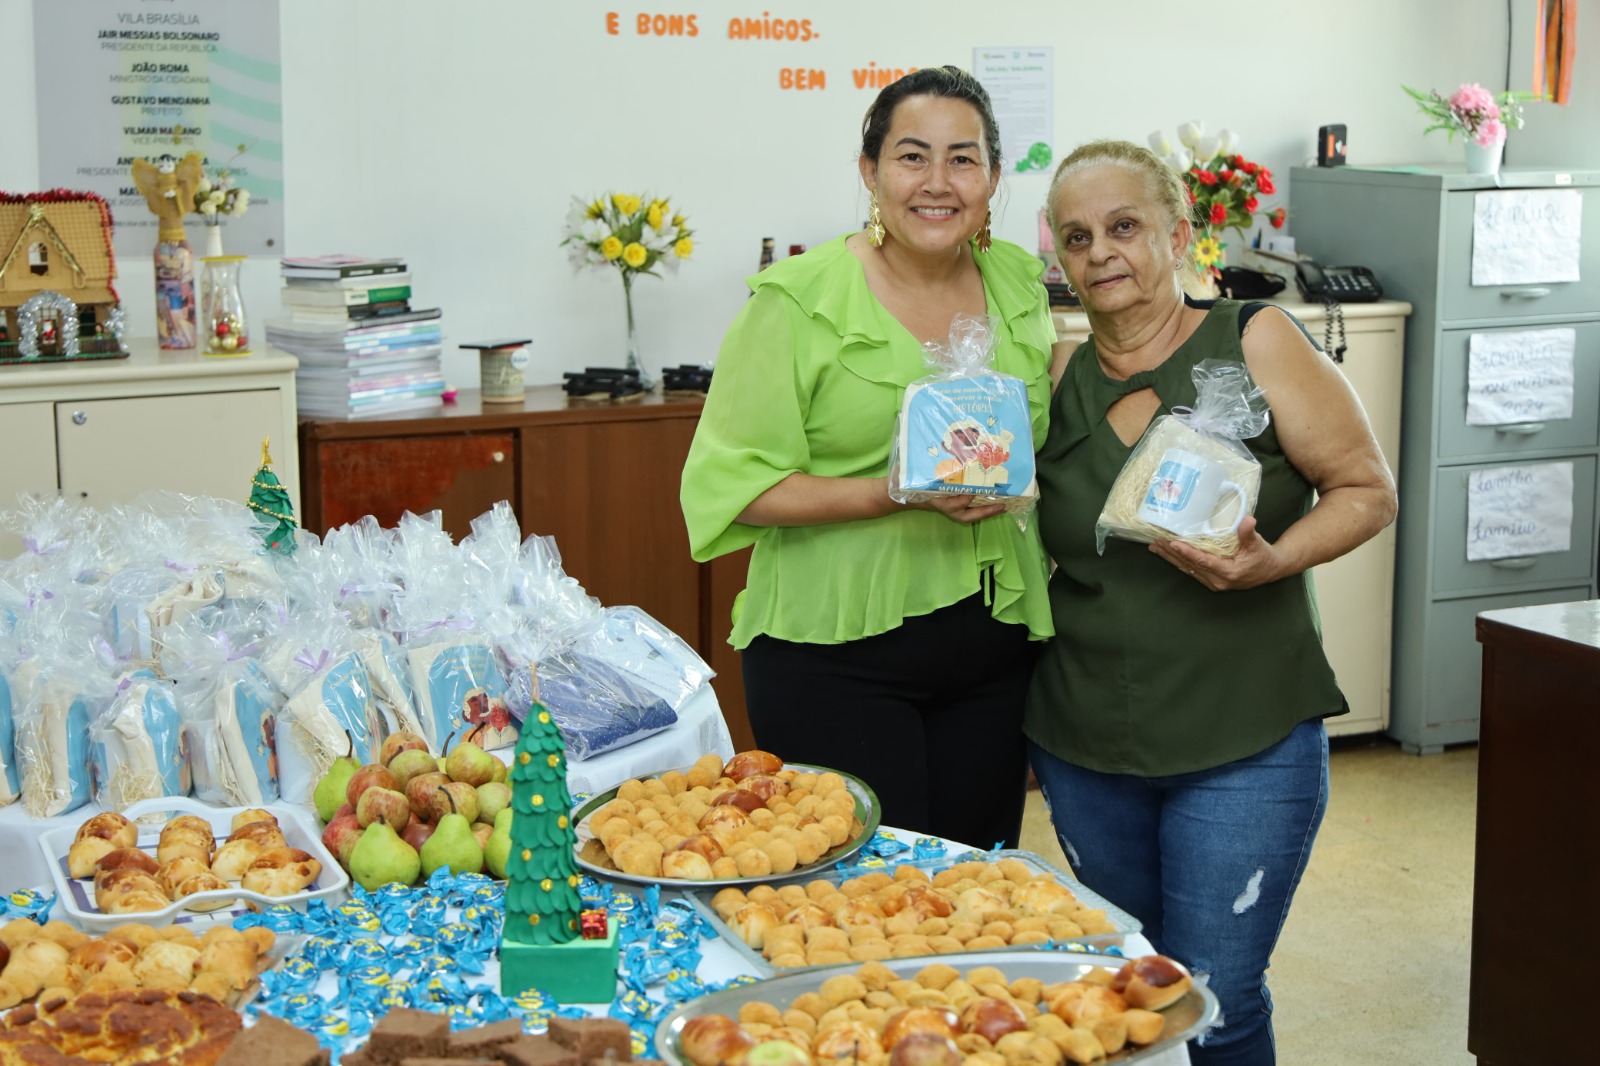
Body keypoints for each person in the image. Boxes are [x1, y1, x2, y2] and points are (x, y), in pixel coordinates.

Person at [1027, 140, 1397, 1065]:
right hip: (1083, 747)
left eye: (1124, 226)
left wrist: (1271, 563)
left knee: (1215, 997)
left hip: (1245, 737)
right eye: (1077, 237)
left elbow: (1365, 489)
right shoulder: (1055, 375)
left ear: (1177, 233)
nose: (1101, 251)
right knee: (1133, 989)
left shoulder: (1253, 337)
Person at [680, 66, 1056, 850]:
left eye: (964, 159)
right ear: (870, 172)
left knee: (973, 893)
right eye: (913, 156)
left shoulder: (1019, 282)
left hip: (993, 650)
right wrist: (893, 492)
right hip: (835, 658)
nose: (939, 182)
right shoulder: (797, 300)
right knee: (866, 900)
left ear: (992, 177)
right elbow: (735, 485)